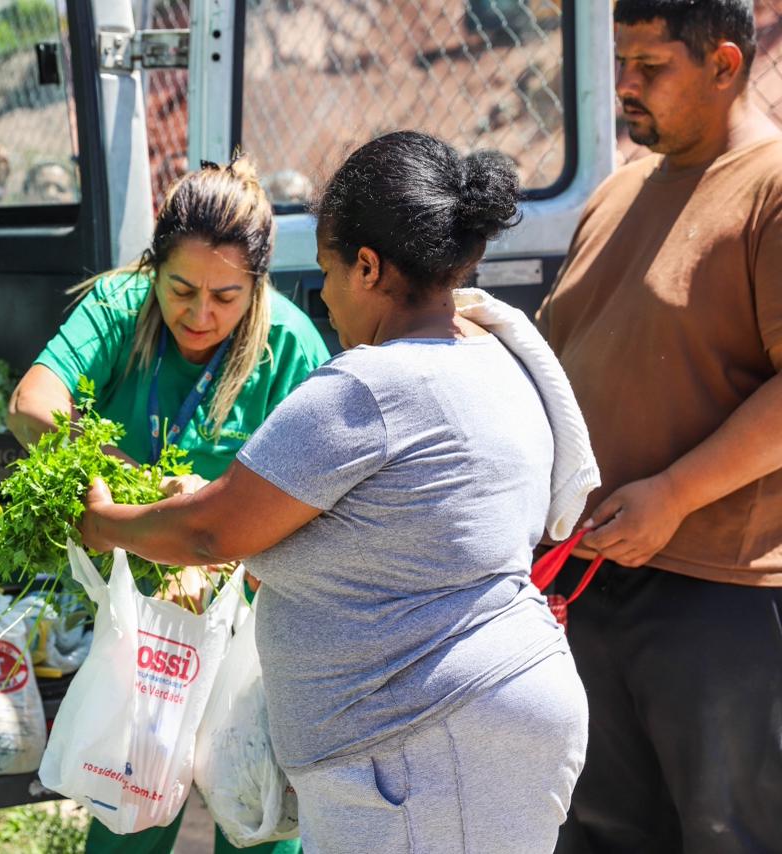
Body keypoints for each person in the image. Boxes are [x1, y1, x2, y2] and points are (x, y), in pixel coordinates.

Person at [78, 132, 592, 854]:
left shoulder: (371, 388)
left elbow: (211, 533)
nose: (320, 297)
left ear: (369, 266)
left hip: (424, 740)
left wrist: (105, 524)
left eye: (326, 270)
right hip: (487, 716)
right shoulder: (493, 357)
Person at [9, 157, 331, 854]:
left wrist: (216, 534)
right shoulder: (119, 308)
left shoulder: (290, 348)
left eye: (225, 296)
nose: (200, 314)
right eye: (181, 289)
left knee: (255, 809)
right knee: (129, 803)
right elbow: (32, 406)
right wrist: (147, 495)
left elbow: (314, 501)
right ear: (152, 268)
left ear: (258, 286)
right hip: (142, 613)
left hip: (249, 613)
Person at [536, 2, 782, 851]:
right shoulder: (616, 191)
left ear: (723, 63)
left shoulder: (771, 185)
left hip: (723, 596)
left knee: (730, 836)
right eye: (621, 63)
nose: (625, 87)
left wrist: (673, 496)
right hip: (590, 585)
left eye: (650, 67)